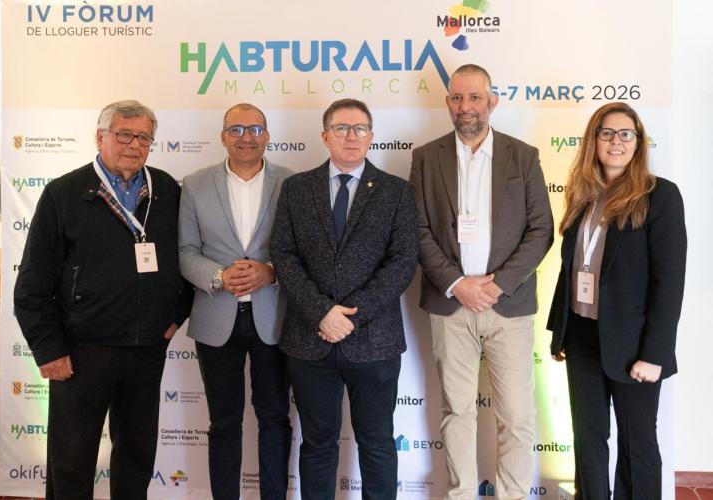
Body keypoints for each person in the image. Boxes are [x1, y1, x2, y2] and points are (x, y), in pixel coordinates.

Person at [13, 99, 193, 499]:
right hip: (82, 351)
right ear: (100, 137)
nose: (134, 144)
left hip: (147, 348)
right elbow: (32, 284)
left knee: (137, 454)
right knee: (72, 457)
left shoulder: (166, 189)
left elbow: (189, 257)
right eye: (124, 134)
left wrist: (175, 314)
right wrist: (49, 349)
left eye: (144, 137)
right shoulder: (64, 193)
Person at [409, 64, 554, 499]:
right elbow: (417, 230)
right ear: (447, 103)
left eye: (475, 97)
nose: (466, 106)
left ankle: (512, 495)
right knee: (457, 411)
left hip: (508, 306)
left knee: (517, 416)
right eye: (457, 98)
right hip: (451, 305)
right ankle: (461, 494)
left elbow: (541, 230)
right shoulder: (425, 157)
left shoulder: (522, 156)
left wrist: (498, 284)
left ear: (492, 101)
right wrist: (457, 283)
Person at [270, 98, 419, 500]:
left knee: (377, 443)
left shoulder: (396, 192)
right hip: (310, 338)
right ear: (325, 136)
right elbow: (283, 255)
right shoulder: (296, 189)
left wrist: (352, 316)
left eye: (359, 129)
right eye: (341, 128)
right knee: (317, 444)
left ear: (371, 136)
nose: (351, 136)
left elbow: (403, 262)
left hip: (375, 340)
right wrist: (322, 311)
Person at [547, 102, 686, 499]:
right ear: (594, 140)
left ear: (638, 142)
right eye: (607, 133)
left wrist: (655, 354)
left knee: (636, 443)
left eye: (626, 134)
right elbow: (571, 268)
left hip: (634, 344)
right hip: (582, 336)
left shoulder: (660, 196)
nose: (616, 141)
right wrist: (561, 333)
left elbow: (669, 282)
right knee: (588, 439)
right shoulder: (583, 195)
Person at [178, 103, 292, 500]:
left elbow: (302, 250)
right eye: (237, 129)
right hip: (216, 318)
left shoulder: (291, 183)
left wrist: (272, 271)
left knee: (275, 418)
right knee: (224, 422)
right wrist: (219, 277)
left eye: (255, 129)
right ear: (223, 136)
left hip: (273, 318)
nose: (246, 137)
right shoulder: (195, 184)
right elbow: (186, 251)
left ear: (267, 135)